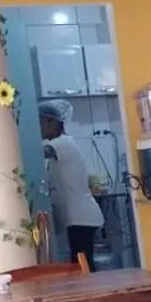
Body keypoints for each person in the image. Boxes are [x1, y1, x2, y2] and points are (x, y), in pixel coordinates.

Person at [39, 100, 103, 270]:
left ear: (53, 122)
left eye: (41, 123)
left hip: (82, 217)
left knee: (82, 265)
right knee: (82, 264)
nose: (39, 128)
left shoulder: (62, 143)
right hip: (79, 216)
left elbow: (37, 153)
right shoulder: (62, 143)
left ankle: (91, 288)